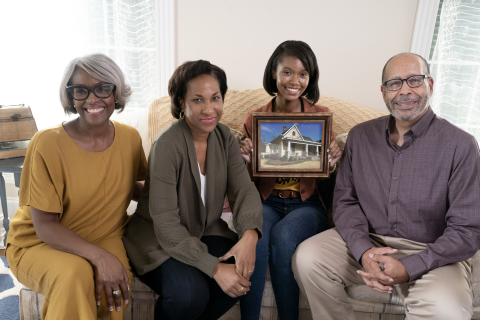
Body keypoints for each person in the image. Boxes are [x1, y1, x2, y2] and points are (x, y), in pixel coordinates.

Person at [292, 52, 480, 320]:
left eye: (414, 80)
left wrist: (411, 266)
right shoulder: (360, 136)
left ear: (431, 85)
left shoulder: (461, 146)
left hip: (433, 251)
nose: (405, 91)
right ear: (383, 92)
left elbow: (467, 230)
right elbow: (345, 201)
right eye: (395, 83)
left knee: (447, 310)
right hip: (370, 240)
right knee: (308, 257)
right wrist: (364, 250)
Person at [5, 53, 147, 320]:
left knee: (116, 286)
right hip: (39, 241)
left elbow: (132, 185)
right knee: (74, 275)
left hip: (107, 233)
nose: (92, 99)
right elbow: (45, 225)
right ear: (70, 97)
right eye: (80, 91)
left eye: (103, 88)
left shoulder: (130, 138)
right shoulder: (46, 144)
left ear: (116, 93)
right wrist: (100, 258)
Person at [122, 60, 263, 320]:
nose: (209, 109)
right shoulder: (166, 146)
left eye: (215, 98)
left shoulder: (226, 140)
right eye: (198, 100)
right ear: (180, 103)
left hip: (203, 230)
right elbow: (165, 224)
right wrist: (215, 268)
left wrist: (250, 234)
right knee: (189, 294)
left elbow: (244, 192)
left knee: (243, 269)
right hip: (157, 237)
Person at [239, 40, 342, 320]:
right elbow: (246, 181)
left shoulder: (321, 118)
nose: (295, 81)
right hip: (267, 201)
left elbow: (327, 175)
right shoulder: (255, 118)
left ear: (310, 78)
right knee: (255, 238)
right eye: (287, 72)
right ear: (274, 72)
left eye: (303, 74)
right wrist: (245, 158)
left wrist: (333, 160)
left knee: (284, 238)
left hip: (307, 205)